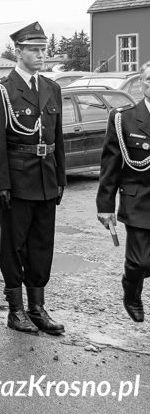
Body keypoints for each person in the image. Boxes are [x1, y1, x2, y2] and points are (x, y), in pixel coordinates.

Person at [0, 22, 66, 336]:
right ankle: (15, 310)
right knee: (14, 245)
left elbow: (56, 137)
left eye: (43, 49)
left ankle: (37, 307)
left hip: (45, 179)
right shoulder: (1, 90)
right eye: (33, 49)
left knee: (42, 245)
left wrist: (60, 178)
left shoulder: (51, 88)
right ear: (17, 52)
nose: (40, 54)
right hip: (17, 181)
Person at [97, 61, 150, 323]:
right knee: (140, 263)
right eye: (149, 80)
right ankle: (131, 293)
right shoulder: (124, 118)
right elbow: (111, 164)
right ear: (141, 84)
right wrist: (105, 205)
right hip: (138, 200)